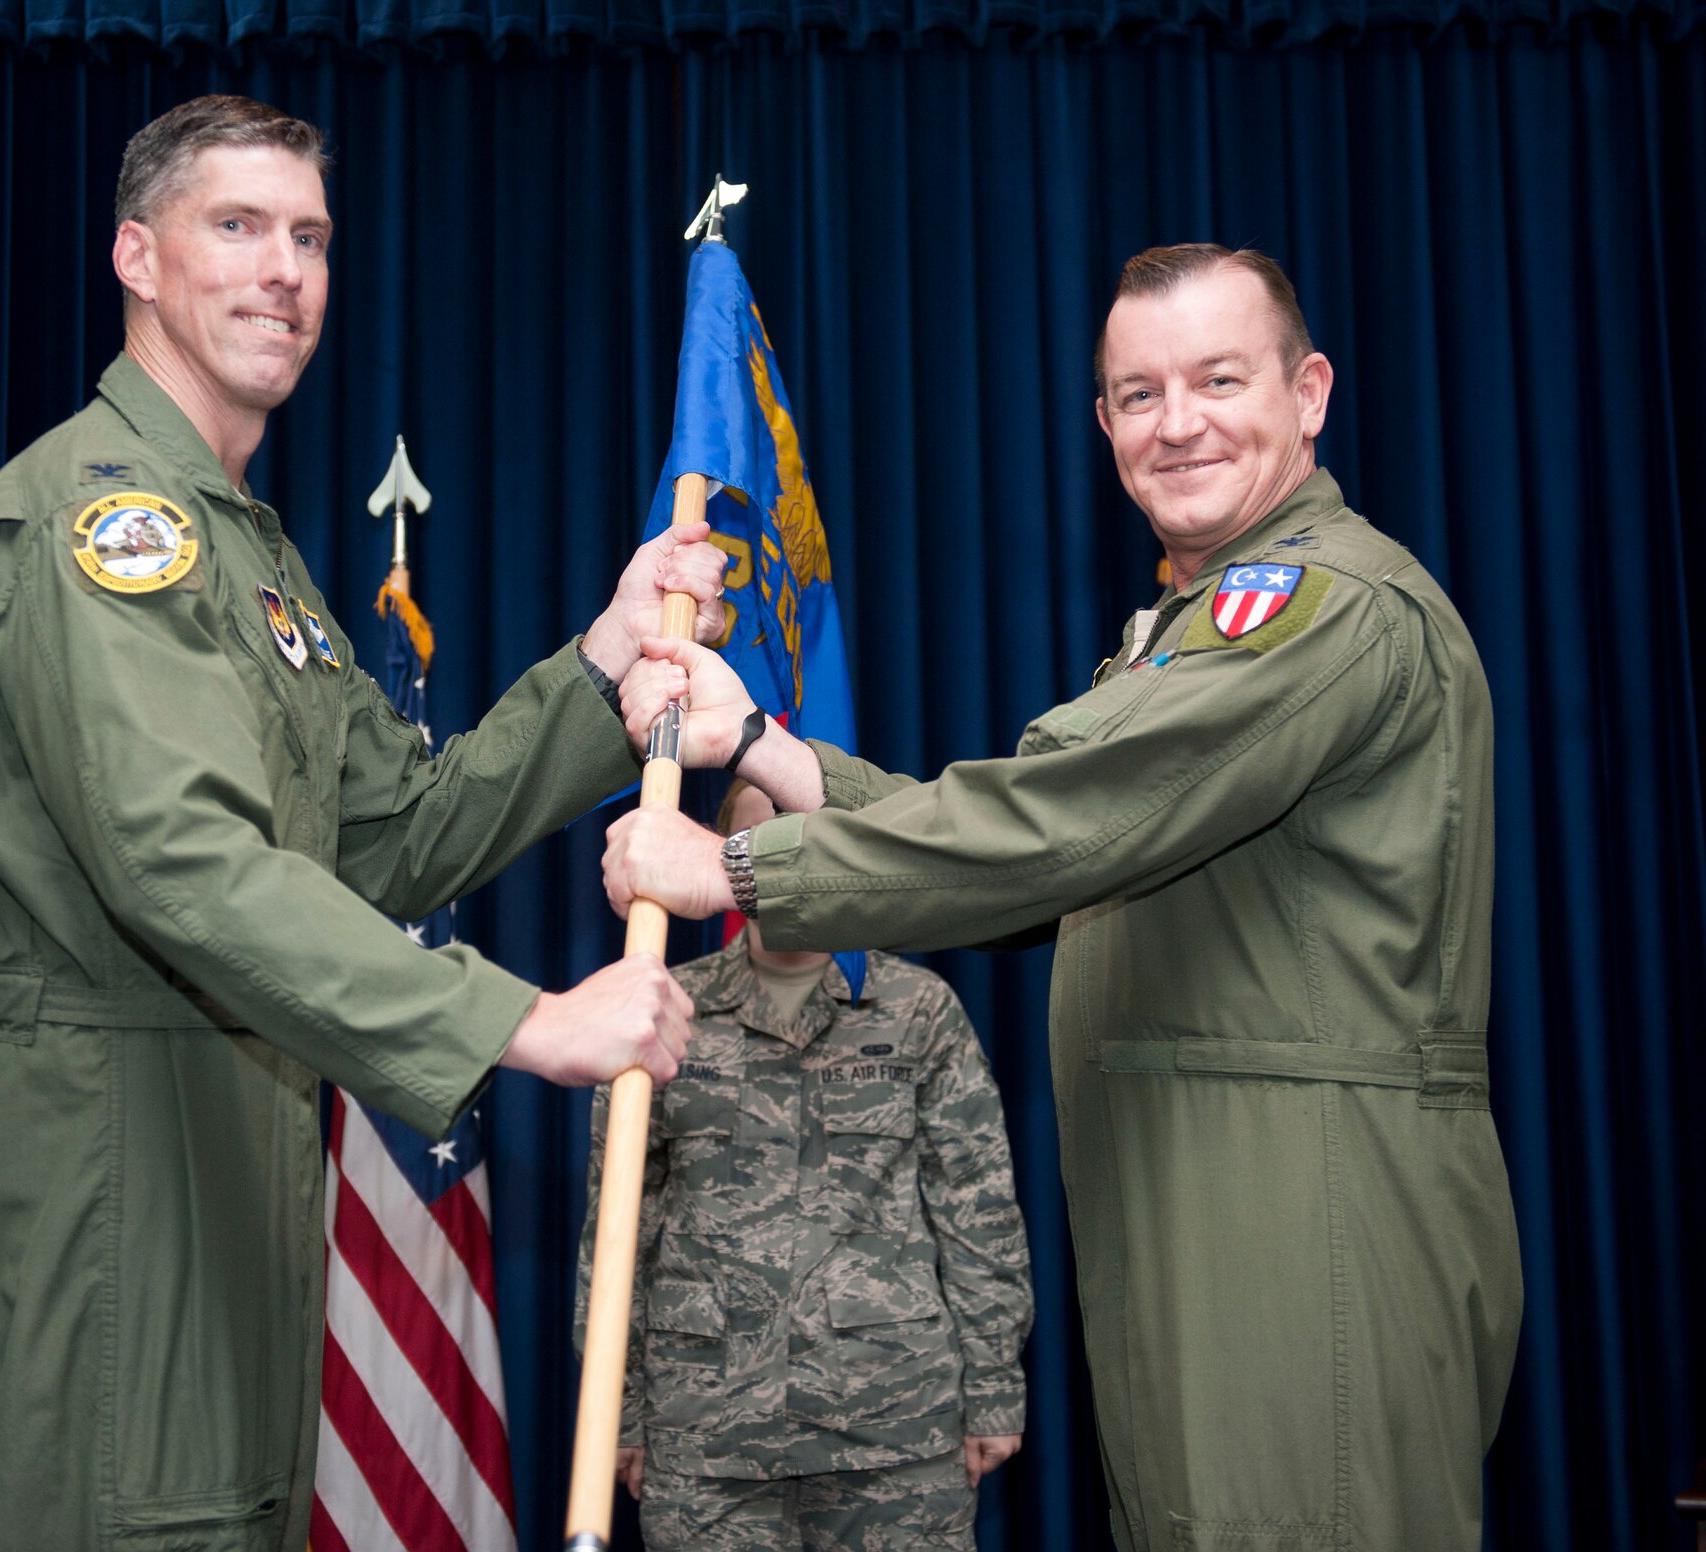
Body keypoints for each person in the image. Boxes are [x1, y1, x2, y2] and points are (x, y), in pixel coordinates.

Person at [600, 245, 1523, 1552]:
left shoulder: (1320, 608)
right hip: (1203, 1213)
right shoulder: (1192, 622)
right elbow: (1061, 834)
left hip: (1305, 1231)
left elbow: (1061, 827)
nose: (1177, 423)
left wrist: (735, 867)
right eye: (1137, 394)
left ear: (1309, 392)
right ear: (1103, 423)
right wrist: (760, 744)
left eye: (1217, 378)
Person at [0, 95, 728, 1551]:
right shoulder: (101, 524)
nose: (283, 270)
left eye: (310, 237)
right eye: (236, 227)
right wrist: (522, 1022)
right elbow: (184, 862)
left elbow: (396, 837)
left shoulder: (249, 548)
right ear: (137, 259)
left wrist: (601, 660)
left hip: (239, 1125)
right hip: (113, 1138)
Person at [576, 778, 1033, 1552]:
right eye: (755, 843)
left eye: (804, 842)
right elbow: (618, 1232)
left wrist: (992, 1390)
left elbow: (977, 1213)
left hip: (895, 1435)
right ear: (720, 860)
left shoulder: (916, 1011)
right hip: (709, 1446)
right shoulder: (659, 1013)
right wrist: (615, 1415)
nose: (781, 863)